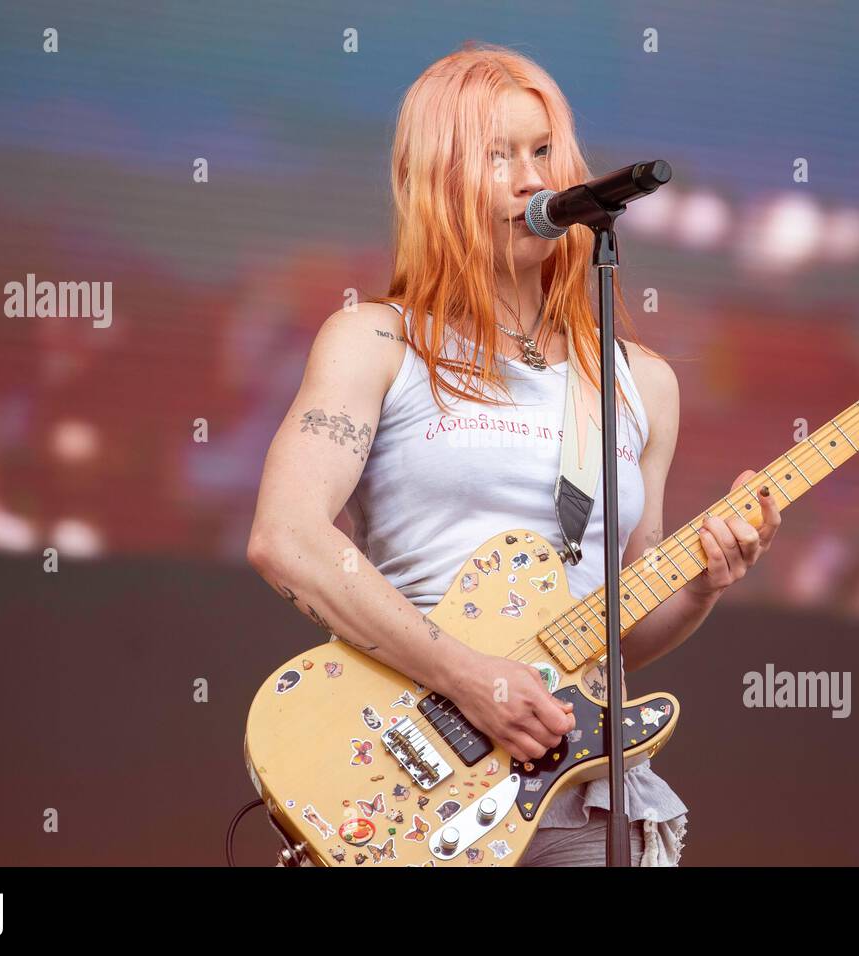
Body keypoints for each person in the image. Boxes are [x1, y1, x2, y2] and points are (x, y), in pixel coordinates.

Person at [247, 41, 780, 867]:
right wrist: (469, 678)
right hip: (413, 783)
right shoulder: (377, 341)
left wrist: (705, 584)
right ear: (437, 180)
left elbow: (614, 632)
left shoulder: (642, 384)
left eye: (543, 152)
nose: (533, 180)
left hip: (582, 802)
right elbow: (287, 539)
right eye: (497, 157)